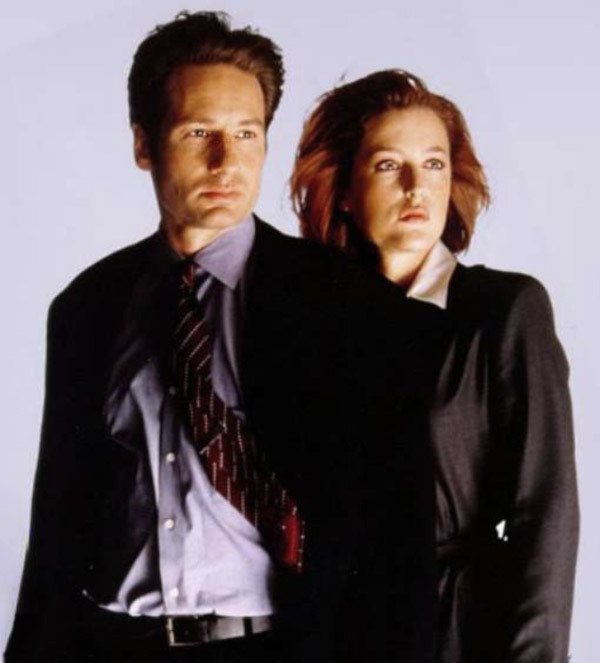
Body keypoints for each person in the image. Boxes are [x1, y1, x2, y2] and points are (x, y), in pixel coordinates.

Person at [5, 17, 445, 663]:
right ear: (144, 144)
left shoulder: (348, 304)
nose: (226, 161)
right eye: (198, 133)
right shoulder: (88, 306)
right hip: (113, 644)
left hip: (276, 646)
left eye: (246, 134)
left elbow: (398, 543)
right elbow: (57, 524)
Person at [291, 69, 579, 663]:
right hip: (338, 630)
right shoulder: (308, 323)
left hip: (459, 631)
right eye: (388, 165)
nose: (416, 187)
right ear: (343, 189)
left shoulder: (503, 310)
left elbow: (546, 515)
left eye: (434, 164)